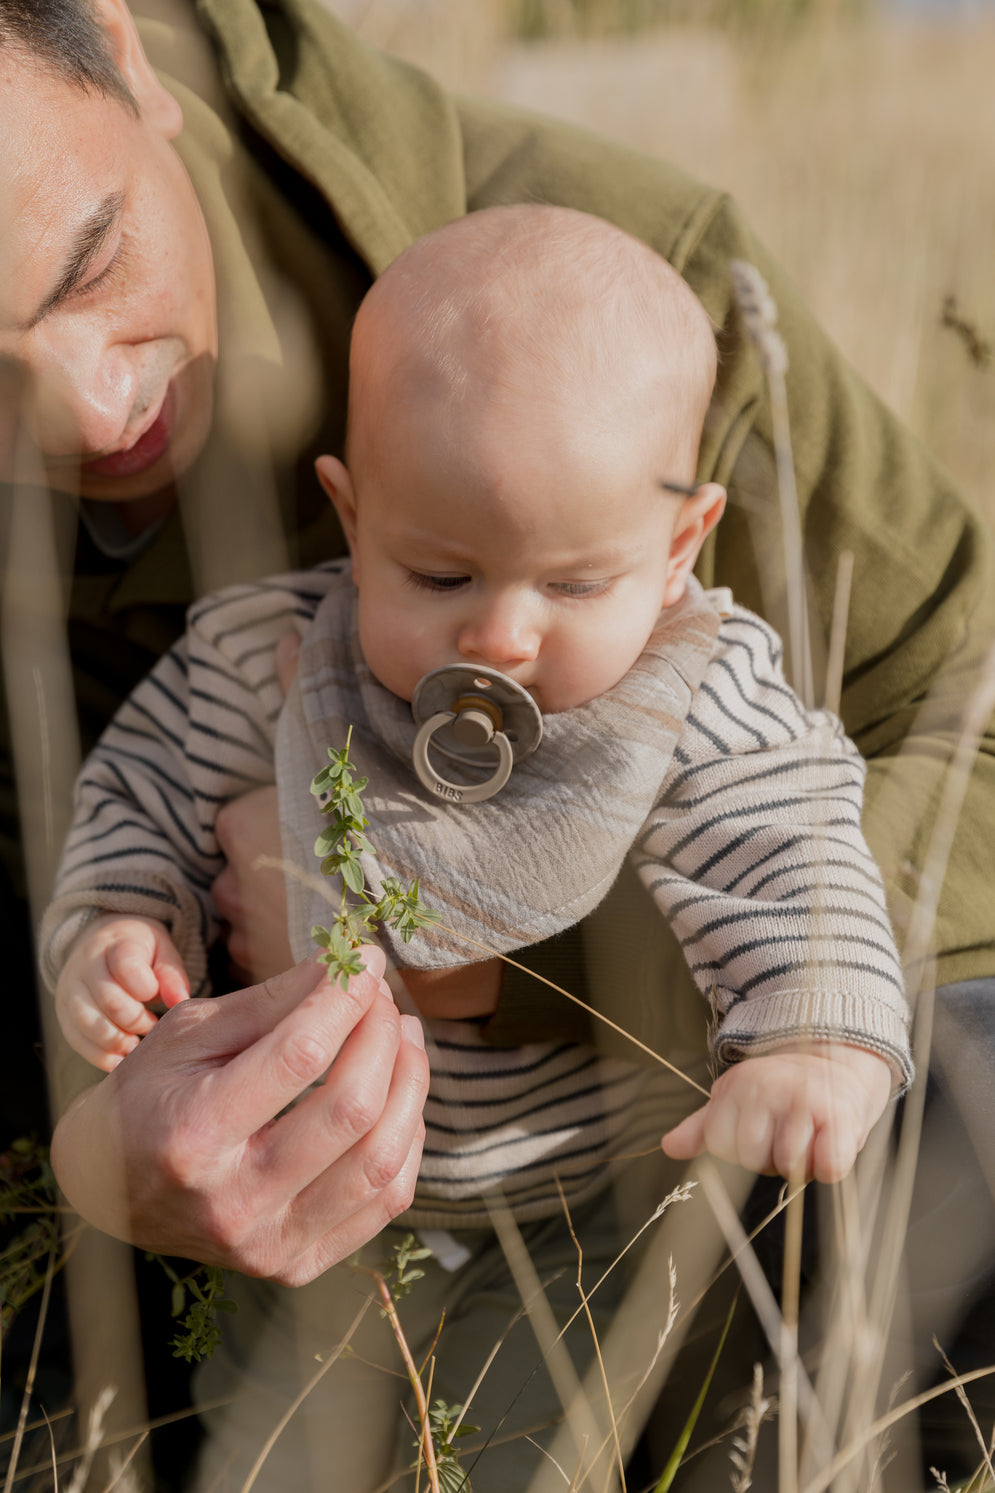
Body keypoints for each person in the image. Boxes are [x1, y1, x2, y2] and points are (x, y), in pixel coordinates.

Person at [0, 0, 992, 1483]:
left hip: (627, 1165)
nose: (93, 401)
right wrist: (108, 1002)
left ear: (134, 61)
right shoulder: (280, 644)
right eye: (443, 572)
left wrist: (747, 1014)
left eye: (97, 263)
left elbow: (898, 767)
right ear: (353, 514)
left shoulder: (622, 320)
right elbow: (135, 792)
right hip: (275, 1250)